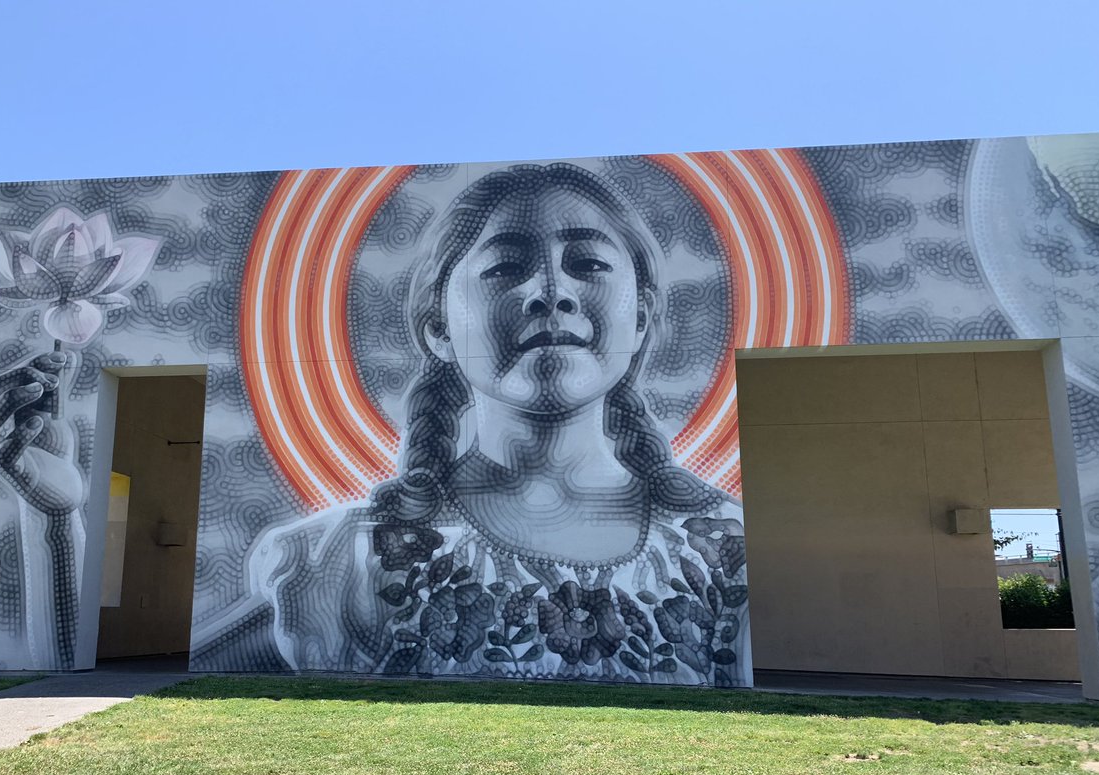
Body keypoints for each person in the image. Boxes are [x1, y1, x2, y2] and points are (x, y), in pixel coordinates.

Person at [196, 162, 750, 685]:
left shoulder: (731, 548)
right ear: (439, 326)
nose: (551, 293)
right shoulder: (345, 561)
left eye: (588, 264)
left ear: (641, 318)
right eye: (506, 267)